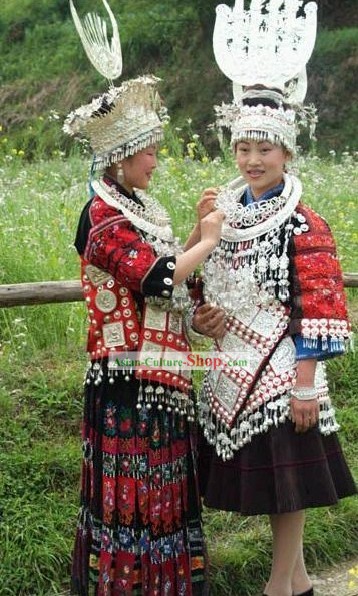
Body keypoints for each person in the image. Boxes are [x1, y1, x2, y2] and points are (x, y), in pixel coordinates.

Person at [190, 2, 357, 596]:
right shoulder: (223, 213)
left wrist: (307, 383)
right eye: (244, 150)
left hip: (287, 365)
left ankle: (277, 588)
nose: (253, 161)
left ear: (287, 152)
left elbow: (321, 307)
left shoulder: (304, 222)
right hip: (233, 363)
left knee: (289, 484)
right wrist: (203, 314)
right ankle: (303, 583)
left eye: (265, 150)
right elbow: (204, 285)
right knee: (273, 485)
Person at [64, 2, 224, 594]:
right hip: (126, 382)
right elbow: (155, 279)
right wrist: (205, 241)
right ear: (121, 156)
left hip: (164, 373)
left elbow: (163, 270)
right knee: (132, 499)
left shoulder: (138, 210)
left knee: (164, 493)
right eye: (151, 150)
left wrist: (193, 233)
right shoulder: (100, 216)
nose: (158, 160)